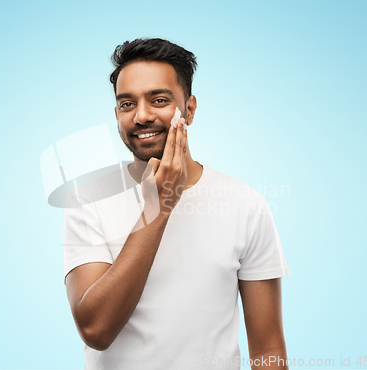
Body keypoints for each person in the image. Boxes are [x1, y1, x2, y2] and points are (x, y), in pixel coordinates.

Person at [63, 38, 291, 370]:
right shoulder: (87, 200)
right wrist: (160, 206)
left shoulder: (245, 204)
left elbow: (268, 349)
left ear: (190, 109)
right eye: (127, 104)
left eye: (158, 100)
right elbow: (95, 329)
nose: (141, 116)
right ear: (116, 114)